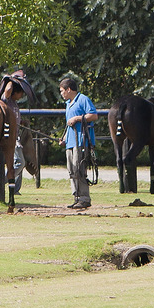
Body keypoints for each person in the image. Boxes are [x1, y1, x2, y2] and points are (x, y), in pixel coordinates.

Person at [59, 74, 96, 210]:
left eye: (62, 91)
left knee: (79, 168)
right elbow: (69, 125)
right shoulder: (68, 104)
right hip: (70, 141)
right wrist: (64, 138)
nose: (62, 94)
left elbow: (93, 115)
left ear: (69, 89)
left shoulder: (83, 99)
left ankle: (84, 198)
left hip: (81, 141)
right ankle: (76, 197)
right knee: (71, 170)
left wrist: (77, 118)